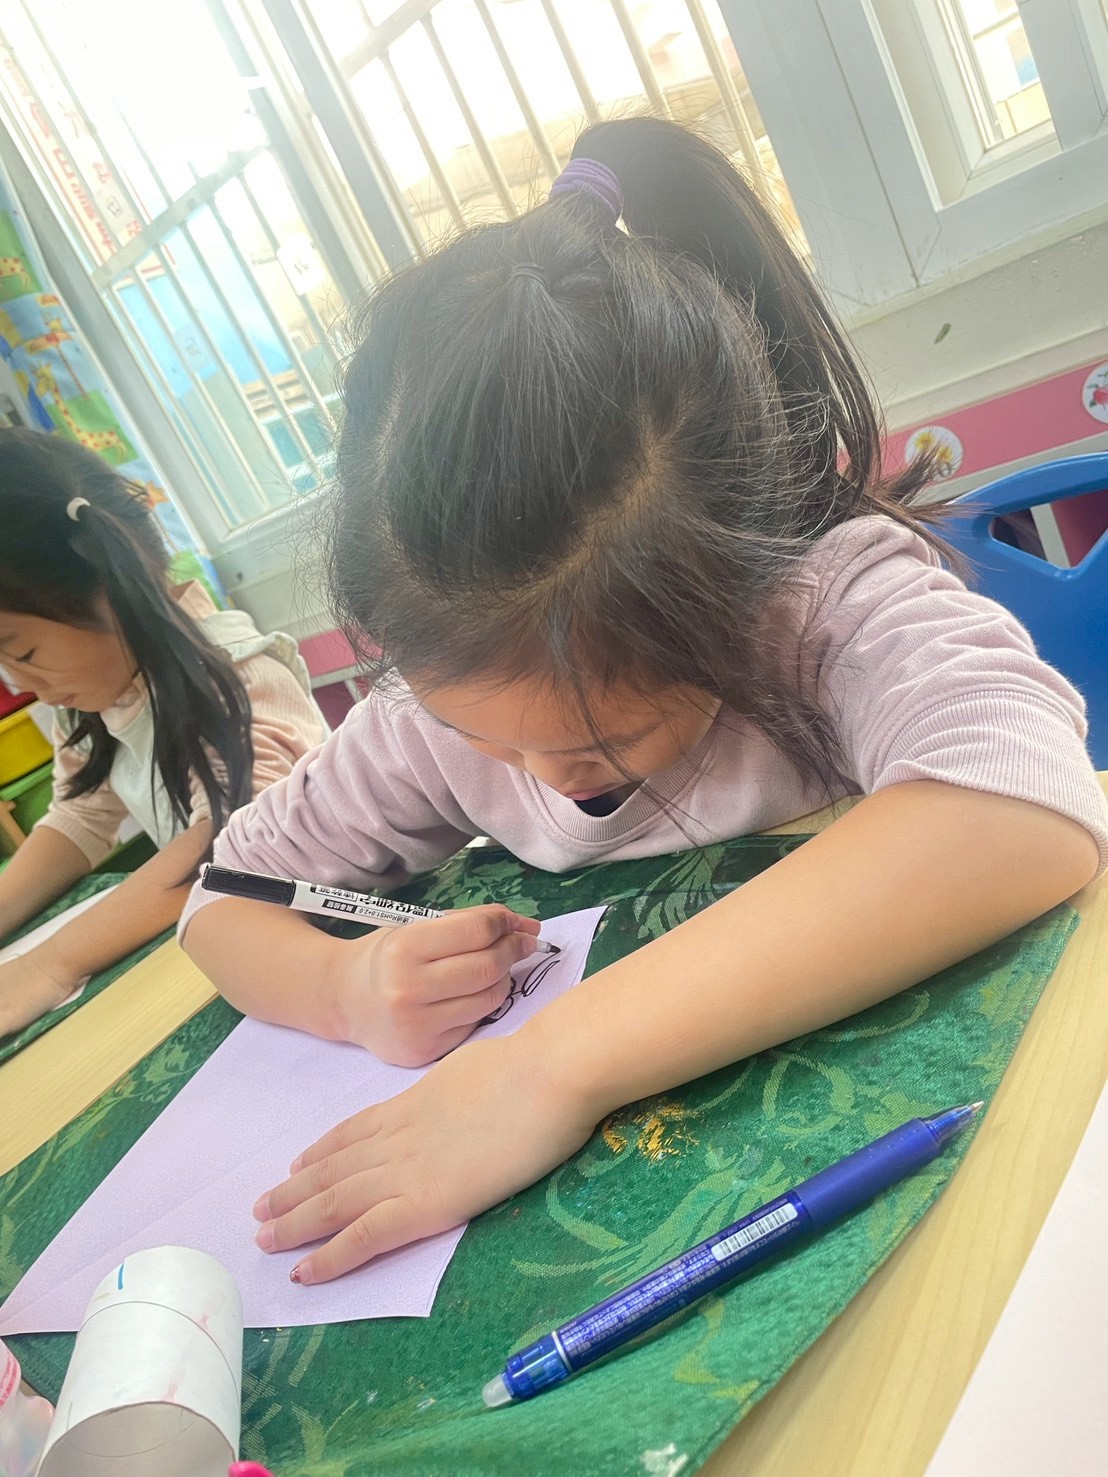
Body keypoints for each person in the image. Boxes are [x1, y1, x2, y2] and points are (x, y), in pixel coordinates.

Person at [179, 119, 1107, 1287]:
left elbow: (1021, 808)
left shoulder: (820, 602)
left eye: (600, 738)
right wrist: (344, 986)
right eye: (475, 733)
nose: (534, 773)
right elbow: (228, 899)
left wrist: (549, 1063)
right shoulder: (418, 713)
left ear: (737, 595)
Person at [0, 428, 326, 1034]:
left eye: (23, 651)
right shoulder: (99, 691)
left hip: (333, 941)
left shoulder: (237, 674)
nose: (20, 683)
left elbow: (235, 853)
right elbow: (78, 818)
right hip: (237, 945)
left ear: (115, 591)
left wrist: (48, 964)